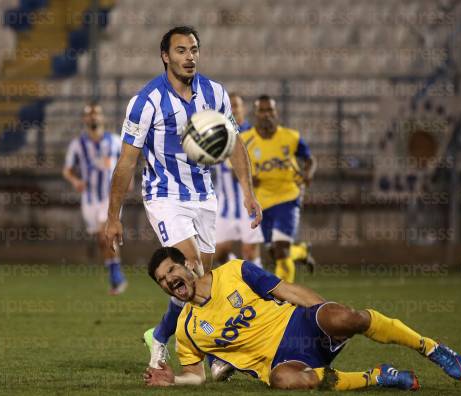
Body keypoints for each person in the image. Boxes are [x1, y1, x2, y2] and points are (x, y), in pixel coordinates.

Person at [105, 26, 261, 370]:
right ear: (165, 56)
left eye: (193, 50)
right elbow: (126, 161)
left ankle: (159, 337)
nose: (189, 57)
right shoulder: (146, 102)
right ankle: (216, 353)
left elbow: (233, 144)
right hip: (164, 196)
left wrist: (248, 193)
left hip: (205, 196)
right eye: (180, 51)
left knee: (203, 280)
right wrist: (113, 217)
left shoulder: (216, 93)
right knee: (191, 270)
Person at [142, 247, 461, 390]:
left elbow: (287, 290)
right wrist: (173, 380)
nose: (169, 280)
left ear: (187, 264)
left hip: (298, 325)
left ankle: (430, 347)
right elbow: (195, 375)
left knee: (349, 318)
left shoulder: (235, 271)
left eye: (171, 269)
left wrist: (323, 312)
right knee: (286, 382)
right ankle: (378, 376)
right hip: (281, 362)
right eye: (162, 279)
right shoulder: (186, 330)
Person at [241, 95, 316, 283]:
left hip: (288, 197)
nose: (267, 115)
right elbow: (238, 168)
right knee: (275, 253)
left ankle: (286, 298)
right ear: (256, 114)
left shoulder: (291, 137)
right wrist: (250, 180)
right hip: (262, 203)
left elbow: (310, 159)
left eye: (270, 110)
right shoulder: (244, 140)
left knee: (281, 250)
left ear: (276, 113)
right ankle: (301, 251)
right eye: (262, 111)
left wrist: (308, 173)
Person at [63, 103, 127, 295]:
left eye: (96, 114)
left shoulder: (115, 141)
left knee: (105, 234)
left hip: (110, 197)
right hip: (90, 199)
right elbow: (67, 170)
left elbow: (125, 163)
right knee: (101, 240)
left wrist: (126, 181)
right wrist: (75, 181)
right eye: (89, 115)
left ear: (102, 118)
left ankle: (117, 278)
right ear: (84, 119)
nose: (93, 118)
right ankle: (115, 276)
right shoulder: (77, 145)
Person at [213, 93, 264, 267]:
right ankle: (241, 273)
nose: (233, 109)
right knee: (218, 252)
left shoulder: (253, 135)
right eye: (230, 106)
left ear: (243, 108)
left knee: (249, 251)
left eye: (236, 105)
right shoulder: (217, 135)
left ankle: (262, 290)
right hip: (224, 204)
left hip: (247, 202)